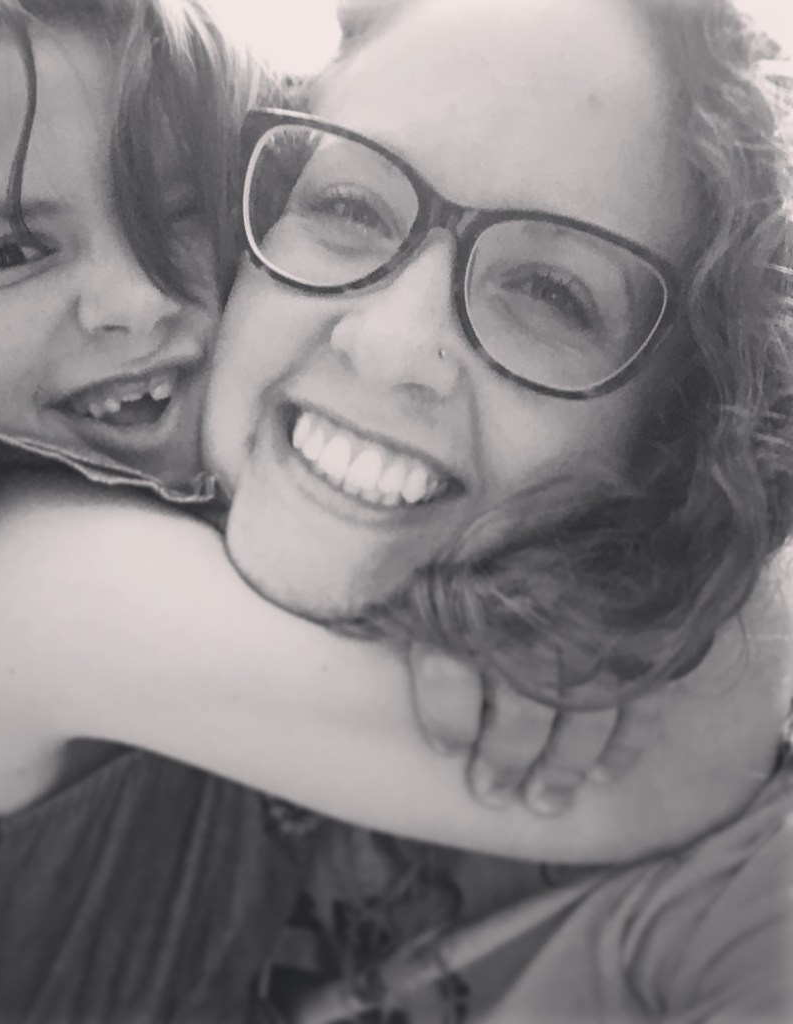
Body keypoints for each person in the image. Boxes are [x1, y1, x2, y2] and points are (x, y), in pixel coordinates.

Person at [0, 0, 789, 1020]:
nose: (133, 299)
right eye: (5, 253)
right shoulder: (4, 571)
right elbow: (660, 768)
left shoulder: (225, 522)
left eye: (176, 214)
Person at [201, 0, 793, 1018]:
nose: (389, 346)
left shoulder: (740, 883)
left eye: (551, 294)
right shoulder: (53, 510)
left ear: (675, 439)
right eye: (348, 205)